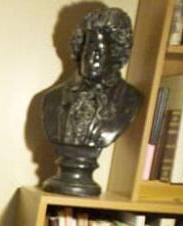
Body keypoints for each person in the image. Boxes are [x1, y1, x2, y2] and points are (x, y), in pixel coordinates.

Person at [41, 7, 142, 151]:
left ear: (114, 54)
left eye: (100, 51)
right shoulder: (53, 98)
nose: (92, 58)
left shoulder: (129, 99)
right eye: (88, 49)